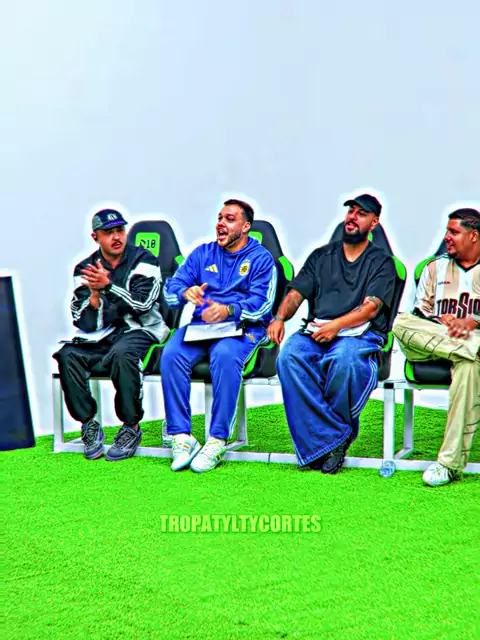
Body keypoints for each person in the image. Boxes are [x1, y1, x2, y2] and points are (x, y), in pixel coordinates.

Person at [268, 193, 396, 473]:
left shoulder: (382, 262)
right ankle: (334, 439)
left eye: (361, 213)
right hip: (317, 330)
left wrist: (336, 326)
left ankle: (324, 442)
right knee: (289, 357)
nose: (352, 217)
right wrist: (279, 317)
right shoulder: (321, 256)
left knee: (344, 360)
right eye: (351, 211)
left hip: (361, 334)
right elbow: (296, 292)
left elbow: (370, 309)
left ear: (374, 223)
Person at [161, 199, 276, 473]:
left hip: (245, 328)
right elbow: (171, 288)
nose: (221, 224)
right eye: (220, 218)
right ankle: (182, 436)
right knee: (171, 353)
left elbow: (263, 304)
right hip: (203, 327)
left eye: (230, 219)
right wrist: (184, 292)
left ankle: (217, 440)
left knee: (224, 355)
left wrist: (229, 310)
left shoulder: (261, 259)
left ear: (245, 227)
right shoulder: (203, 253)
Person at [53, 207, 169, 461]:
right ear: (95, 237)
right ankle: (88, 424)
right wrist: (95, 298)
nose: (116, 237)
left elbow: (142, 304)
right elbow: (82, 320)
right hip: (103, 334)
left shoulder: (145, 259)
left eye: (120, 230)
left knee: (123, 353)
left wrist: (108, 287)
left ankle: (130, 426)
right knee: (68, 354)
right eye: (108, 232)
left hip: (141, 328)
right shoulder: (85, 268)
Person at [393, 207, 480, 487]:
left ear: (474, 236)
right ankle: (472, 347)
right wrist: (440, 321)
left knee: (468, 366)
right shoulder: (434, 268)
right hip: (433, 342)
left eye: (454, 232)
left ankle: (448, 464)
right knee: (400, 323)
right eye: (446, 231)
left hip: (467, 346)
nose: (446, 237)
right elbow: (419, 314)